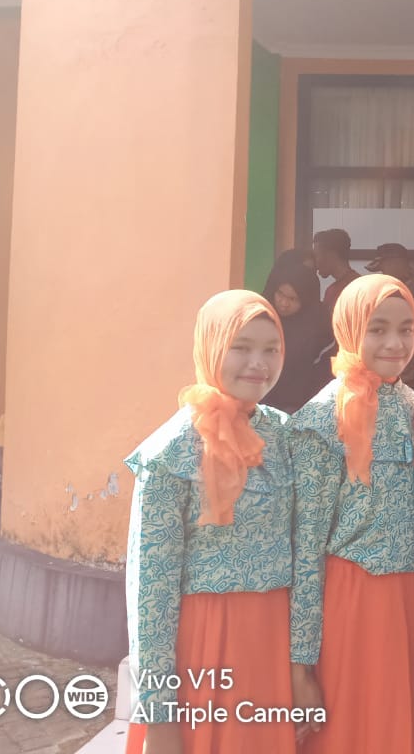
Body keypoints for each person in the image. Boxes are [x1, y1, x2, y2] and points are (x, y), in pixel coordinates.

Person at [124, 290, 307, 753]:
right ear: (211, 346)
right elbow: (150, 591)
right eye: (241, 347)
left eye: (271, 349)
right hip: (204, 646)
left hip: (271, 641)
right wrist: (158, 713)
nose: (258, 363)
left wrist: (302, 665)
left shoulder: (285, 435)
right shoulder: (171, 451)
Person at [289, 275, 414, 754]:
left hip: (409, 606)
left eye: (406, 329)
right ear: (350, 328)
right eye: (378, 329)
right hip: (347, 605)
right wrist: (300, 665)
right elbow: (306, 548)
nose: (395, 343)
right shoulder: (321, 420)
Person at [262, 251, 335, 414]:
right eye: (280, 294)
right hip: (259, 407)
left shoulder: (319, 328)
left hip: (303, 411)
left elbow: (324, 373)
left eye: (292, 299)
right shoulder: (261, 318)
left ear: (306, 300)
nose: (283, 303)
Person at [365, 243, 414, 394]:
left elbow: (412, 330)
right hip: (407, 367)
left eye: (384, 267)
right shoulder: (404, 287)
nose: (383, 273)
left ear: (396, 262)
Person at [313, 229, 360, 312]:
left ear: (331, 255)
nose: (315, 262)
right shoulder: (359, 283)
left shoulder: (353, 287)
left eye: (317, 255)